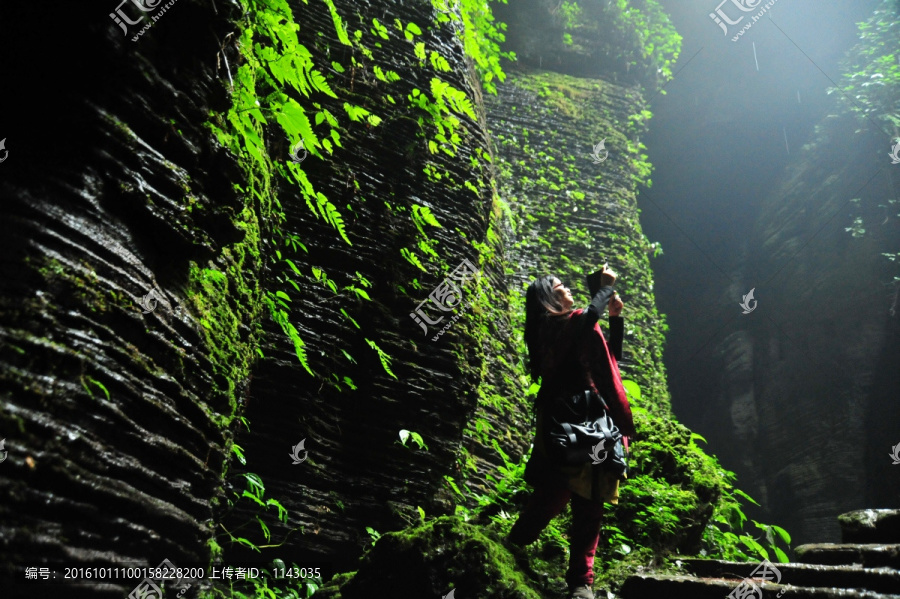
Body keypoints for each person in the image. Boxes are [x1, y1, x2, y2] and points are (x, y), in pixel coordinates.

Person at [507, 265, 636, 599]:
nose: (567, 290)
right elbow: (584, 325)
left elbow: (606, 357)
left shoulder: (563, 328)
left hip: (577, 419)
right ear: (550, 298)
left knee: (587, 495)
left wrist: (615, 318)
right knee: (564, 491)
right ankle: (521, 548)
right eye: (561, 286)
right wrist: (605, 289)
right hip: (575, 418)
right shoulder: (556, 327)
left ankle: (578, 578)